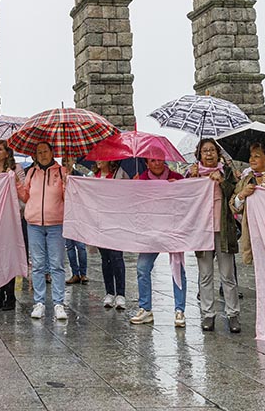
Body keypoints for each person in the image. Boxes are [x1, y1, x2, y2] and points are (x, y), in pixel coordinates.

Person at [187, 138, 240, 333]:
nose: (209, 154)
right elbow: (185, 198)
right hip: (202, 230)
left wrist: (223, 181)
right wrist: (191, 179)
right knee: (205, 274)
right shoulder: (193, 173)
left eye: (212, 150)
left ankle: (233, 314)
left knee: (228, 274)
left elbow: (236, 194)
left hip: (223, 229)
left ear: (218, 153)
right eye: (204, 151)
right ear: (199, 155)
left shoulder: (226, 173)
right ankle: (208, 315)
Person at [130, 156, 186, 328]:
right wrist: (133, 188)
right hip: (151, 231)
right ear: (147, 163)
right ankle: (145, 308)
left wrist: (178, 188)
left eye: (160, 160)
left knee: (178, 268)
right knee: (142, 268)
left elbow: (187, 200)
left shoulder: (177, 178)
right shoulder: (142, 179)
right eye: (153, 160)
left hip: (173, 229)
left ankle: (180, 310)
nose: (157, 163)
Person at [16, 142, 68, 321]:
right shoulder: (31, 172)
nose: (43, 154)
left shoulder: (61, 171)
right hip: (34, 224)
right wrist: (17, 184)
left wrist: (68, 183)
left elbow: (67, 197)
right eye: (39, 152)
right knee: (37, 265)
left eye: (45, 151)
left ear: (52, 152)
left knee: (57, 265)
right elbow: (25, 196)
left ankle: (58, 303)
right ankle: (39, 302)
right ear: (35, 155)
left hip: (56, 224)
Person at [0, 140, 24, 311]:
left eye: (0, 149)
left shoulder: (16, 170)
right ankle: (0, 293)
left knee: (9, 256)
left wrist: (16, 182)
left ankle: (10, 294)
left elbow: (24, 192)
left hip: (10, 218)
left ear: (7, 153)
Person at [91, 159, 126, 308]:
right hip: (101, 223)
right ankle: (109, 292)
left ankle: (121, 294)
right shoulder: (94, 177)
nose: (98, 160)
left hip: (117, 222)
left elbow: (128, 194)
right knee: (105, 258)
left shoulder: (120, 174)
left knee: (116, 257)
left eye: (102, 157)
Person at [62, 156, 90, 288]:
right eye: (63, 161)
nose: (65, 163)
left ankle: (83, 273)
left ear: (73, 161)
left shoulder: (79, 176)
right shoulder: (59, 175)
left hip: (79, 215)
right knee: (69, 246)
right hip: (65, 214)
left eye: (68, 160)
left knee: (81, 246)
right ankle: (75, 273)